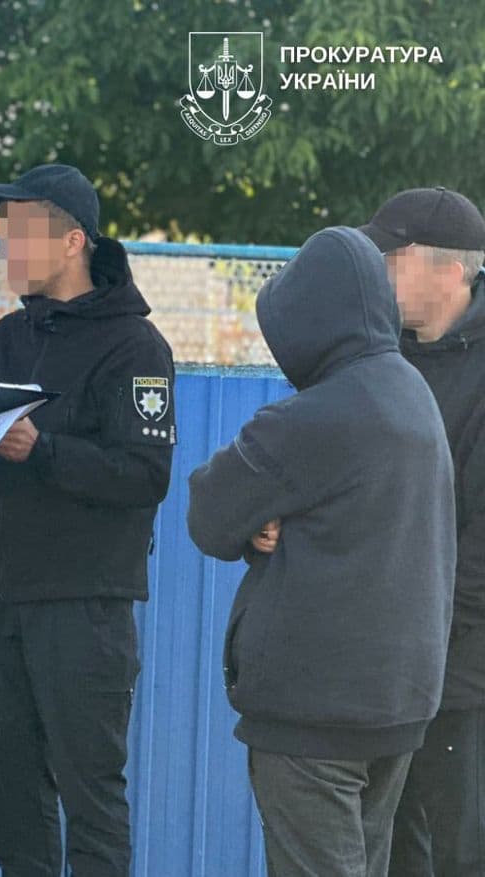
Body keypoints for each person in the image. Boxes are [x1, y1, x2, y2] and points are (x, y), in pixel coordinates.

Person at [0, 163, 175, 877]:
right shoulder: (8, 338)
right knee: (11, 795)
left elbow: (144, 476)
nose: (4, 246)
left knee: (91, 795)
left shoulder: (136, 347)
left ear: (72, 242)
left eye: (20, 230)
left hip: (84, 606)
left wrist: (44, 449)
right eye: (2, 230)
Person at [186, 226, 457, 877]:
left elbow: (208, 514)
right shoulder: (413, 393)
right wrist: (270, 522)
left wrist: (255, 521)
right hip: (397, 703)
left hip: (314, 713)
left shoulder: (308, 420)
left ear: (311, 319)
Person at [361, 188, 485, 877]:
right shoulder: (381, 357)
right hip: (382, 658)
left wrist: (434, 626)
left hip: (460, 662)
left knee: (459, 848)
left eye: (394, 258)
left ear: (450, 270)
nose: (381, 272)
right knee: (392, 847)